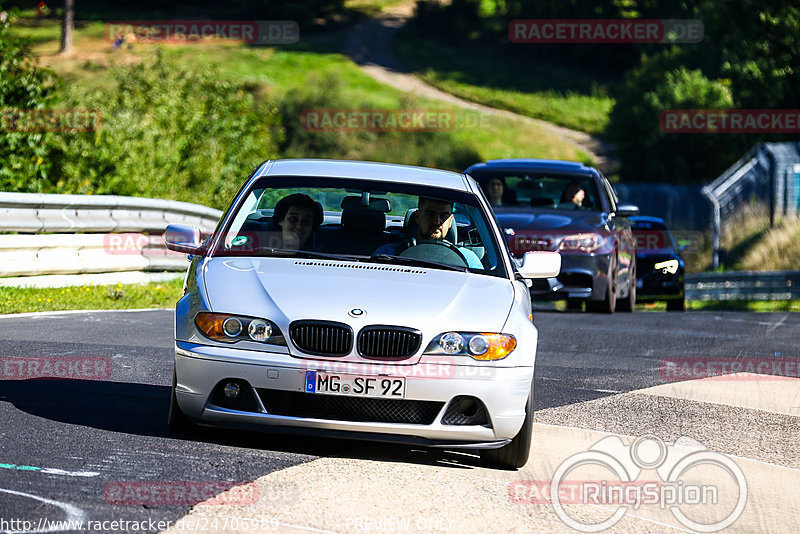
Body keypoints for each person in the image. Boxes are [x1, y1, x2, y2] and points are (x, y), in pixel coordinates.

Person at [374, 197, 483, 269]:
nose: (437, 221)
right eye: (430, 214)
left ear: (450, 221)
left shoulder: (468, 259)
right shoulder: (388, 254)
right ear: (417, 216)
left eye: (444, 216)